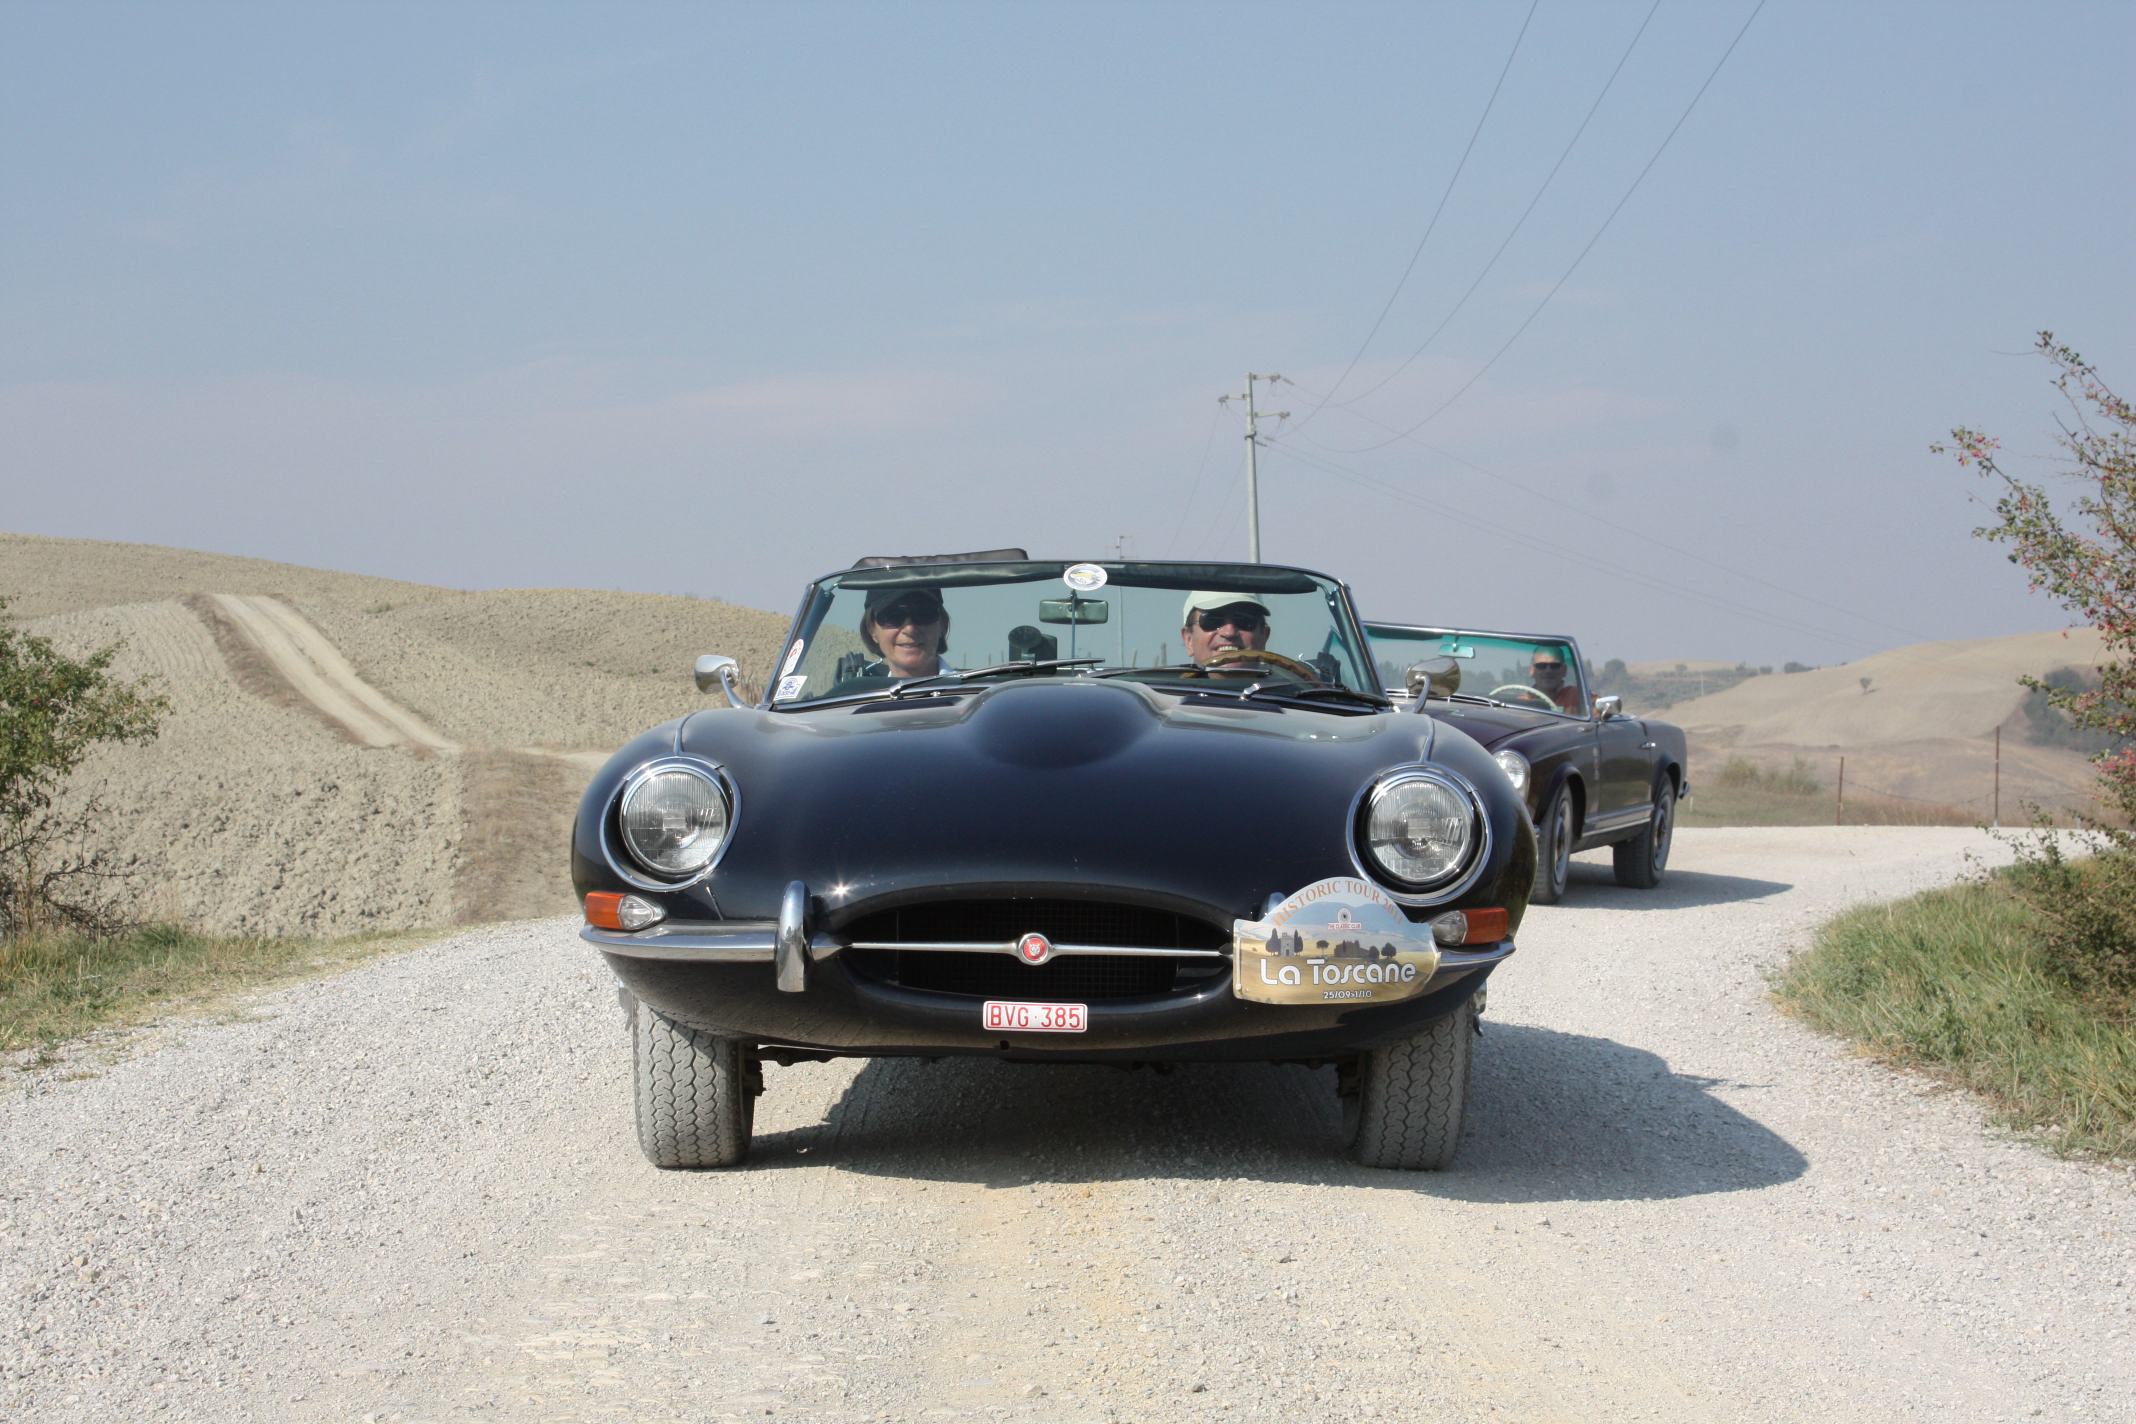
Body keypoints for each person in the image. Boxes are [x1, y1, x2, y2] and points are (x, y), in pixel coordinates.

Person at [860, 586, 951, 679]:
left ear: (942, 624)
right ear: (872, 629)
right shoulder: (856, 693)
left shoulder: (965, 691)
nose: (909, 629)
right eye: (893, 616)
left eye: (923, 614)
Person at [1180, 591, 1272, 666]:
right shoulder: (1168, 688)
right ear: (1188, 640)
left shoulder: (1284, 686)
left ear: (1264, 637)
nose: (1229, 632)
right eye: (1212, 621)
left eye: (1244, 620)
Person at [1527, 646, 1584, 715]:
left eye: (1555, 666)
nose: (1548, 671)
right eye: (1541, 666)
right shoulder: (1521, 703)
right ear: (1532, 670)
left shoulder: (1578, 697)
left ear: (1564, 670)